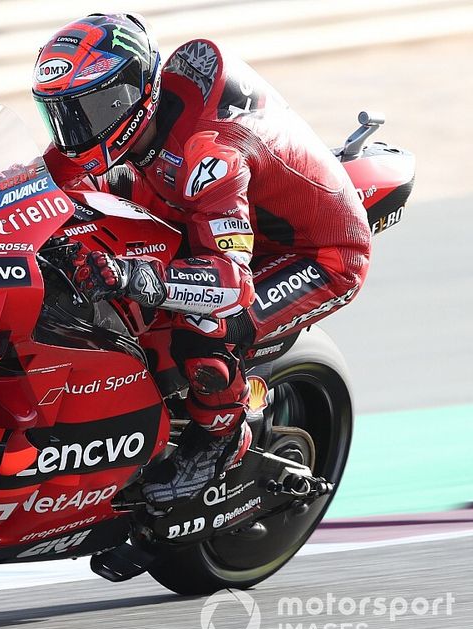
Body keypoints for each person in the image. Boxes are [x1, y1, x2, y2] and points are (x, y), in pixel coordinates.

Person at [32, 13, 371, 505]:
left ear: (134, 93)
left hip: (316, 255)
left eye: (93, 106)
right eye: (64, 112)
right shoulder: (129, 122)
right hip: (203, 209)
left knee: (204, 325)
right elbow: (46, 176)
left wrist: (135, 276)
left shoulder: (207, 155)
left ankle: (220, 443)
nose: (77, 127)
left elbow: (232, 285)